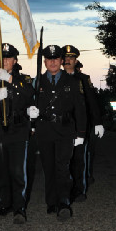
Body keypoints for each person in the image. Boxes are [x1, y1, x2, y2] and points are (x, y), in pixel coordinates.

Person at [0, 43, 34, 224]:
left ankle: (19, 208)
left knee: (18, 171)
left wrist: (10, 82)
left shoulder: (23, 79)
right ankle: (5, 203)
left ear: (15, 60)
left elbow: (29, 96)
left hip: (17, 130)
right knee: (1, 171)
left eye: (8, 58)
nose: (5, 61)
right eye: (1, 58)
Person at [32, 45, 87, 221]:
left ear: (61, 61)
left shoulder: (72, 81)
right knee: (49, 168)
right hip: (45, 131)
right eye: (49, 59)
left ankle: (64, 202)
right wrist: (30, 114)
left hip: (65, 130)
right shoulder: (37, 82)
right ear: (45, 62)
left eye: (56, 59)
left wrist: (81, 133)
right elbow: (29, 103)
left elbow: (80, 109)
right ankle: (52, 201)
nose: (53, 62)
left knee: (62, 167)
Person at [62, 44, 104, 199]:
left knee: (80, 159)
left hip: (80, 124)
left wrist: (97, 122)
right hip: (62, 125)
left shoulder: (83, 79)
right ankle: (65, 189)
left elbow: (92, 102)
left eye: (71, 58)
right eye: (65, 58)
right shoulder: (57, 77)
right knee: (63, 160)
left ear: (75, 60)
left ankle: (80, 189)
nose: (68, 60)